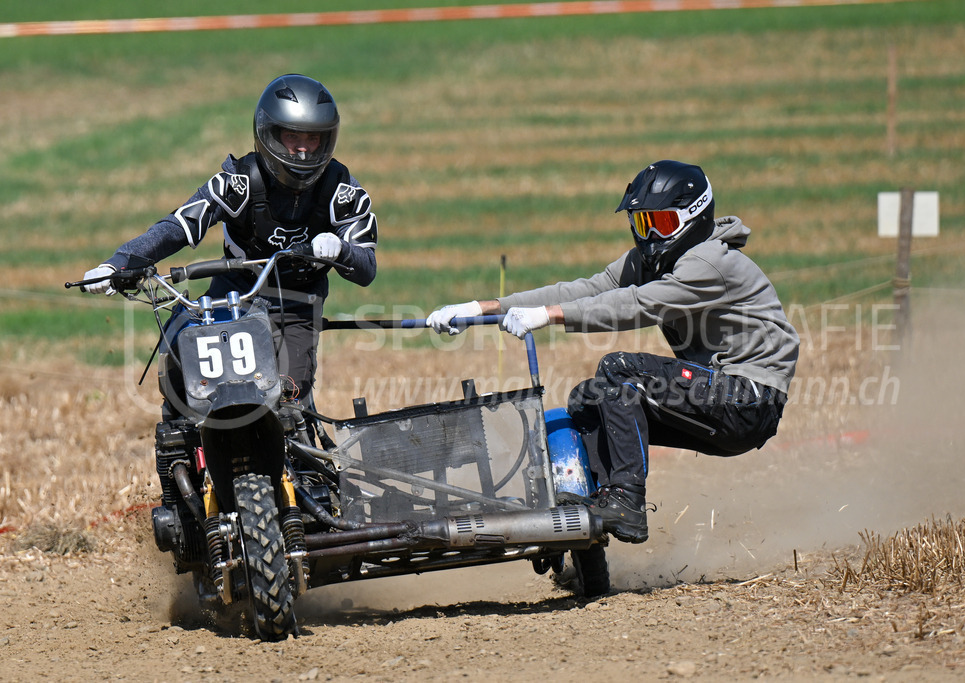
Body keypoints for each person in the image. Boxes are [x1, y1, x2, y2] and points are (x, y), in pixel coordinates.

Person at [426, 160, 798, 544]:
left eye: (663, 223)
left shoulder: (709, 264)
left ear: (694, 217)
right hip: (717, 398)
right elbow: (586, 290)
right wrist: (484, 307)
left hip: (748, 401)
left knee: (618, 371)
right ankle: (590, 516)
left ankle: (627, 502)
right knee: (589, 399)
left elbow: (636, 305)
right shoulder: (654, 261)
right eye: (641, 223)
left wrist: (548, 317)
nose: (651, 234)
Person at [81, 73, 378, 413]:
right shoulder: (239, 182)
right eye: (293, 135)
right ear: (270, 134)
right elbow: (178, 226)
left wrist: (342, 250)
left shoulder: (341, 191)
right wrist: (117, 263)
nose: (302, 148)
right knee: (182, 369)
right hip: (232, 297)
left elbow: (367, 269)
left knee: (288, 400)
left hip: (298, 306)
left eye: (313, 138)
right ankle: (184, 450)